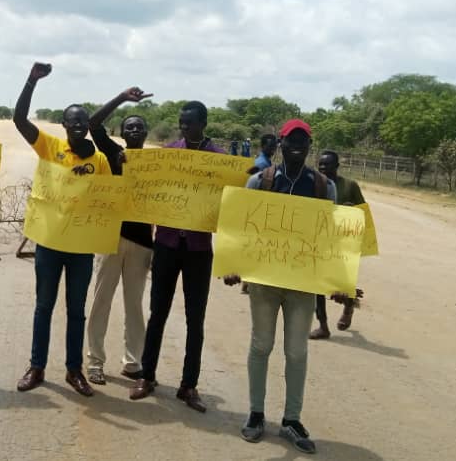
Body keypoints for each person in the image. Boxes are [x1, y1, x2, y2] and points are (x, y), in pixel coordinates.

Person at [222, 119, 338, 455]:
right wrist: (234, 267)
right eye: (291, 140)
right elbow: (241, 228)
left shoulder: (322, 186)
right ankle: (256, 413)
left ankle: (291, 419)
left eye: (303, 140)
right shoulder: (261, 181)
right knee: (261, 346)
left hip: (302, 283)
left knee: (297, 351)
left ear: (309, 145)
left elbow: (330, 238)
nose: (296, 145)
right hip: (265, 280)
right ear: (281, 144)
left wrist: (337, 280)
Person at [13, 62, 112, 398]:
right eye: (73, 122)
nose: (79, 126)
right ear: (64, 125)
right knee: (44, 306)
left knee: (77, 310)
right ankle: (36, 366)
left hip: (82, 247)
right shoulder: (50, 147)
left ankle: (74, 371)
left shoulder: (98, 161)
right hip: (50, 244)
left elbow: (107, 200)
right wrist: (31, 82)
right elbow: (19, 121)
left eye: (83, 122)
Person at [128, 101, 225, 413]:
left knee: (195, 320)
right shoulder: (169, 153)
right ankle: (148, 376)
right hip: (167, 244)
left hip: (199, 249)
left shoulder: (220, 160)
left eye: (190, 123)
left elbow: (233, 198)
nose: (184, 128)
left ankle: (188, 385)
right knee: (158, 313)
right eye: (181, 123)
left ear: (204, 123)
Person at [83, 87, 153, 386]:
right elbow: (92, 125)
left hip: (141, 243)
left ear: (147, 133)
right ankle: (95, 361)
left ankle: (133, 362)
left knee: (135, 306)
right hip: (109, 238)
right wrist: (122, 98)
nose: (134, 129)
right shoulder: (112, 152)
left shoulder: (157, 166)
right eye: (129, 127)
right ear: (121, 133)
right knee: (101, 301)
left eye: (139, 126)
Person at [310, 150, 367, 339]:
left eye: (328, 165)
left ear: (337, 166)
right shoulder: (315, 184)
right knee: (317, 285)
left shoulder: (350, 186)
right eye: (321, 165)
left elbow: (363, 212)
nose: (324, 168)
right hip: (320, 241)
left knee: (343, 284)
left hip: (343, 243)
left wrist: (350, 210)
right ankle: (323, 325)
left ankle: (349, 305)